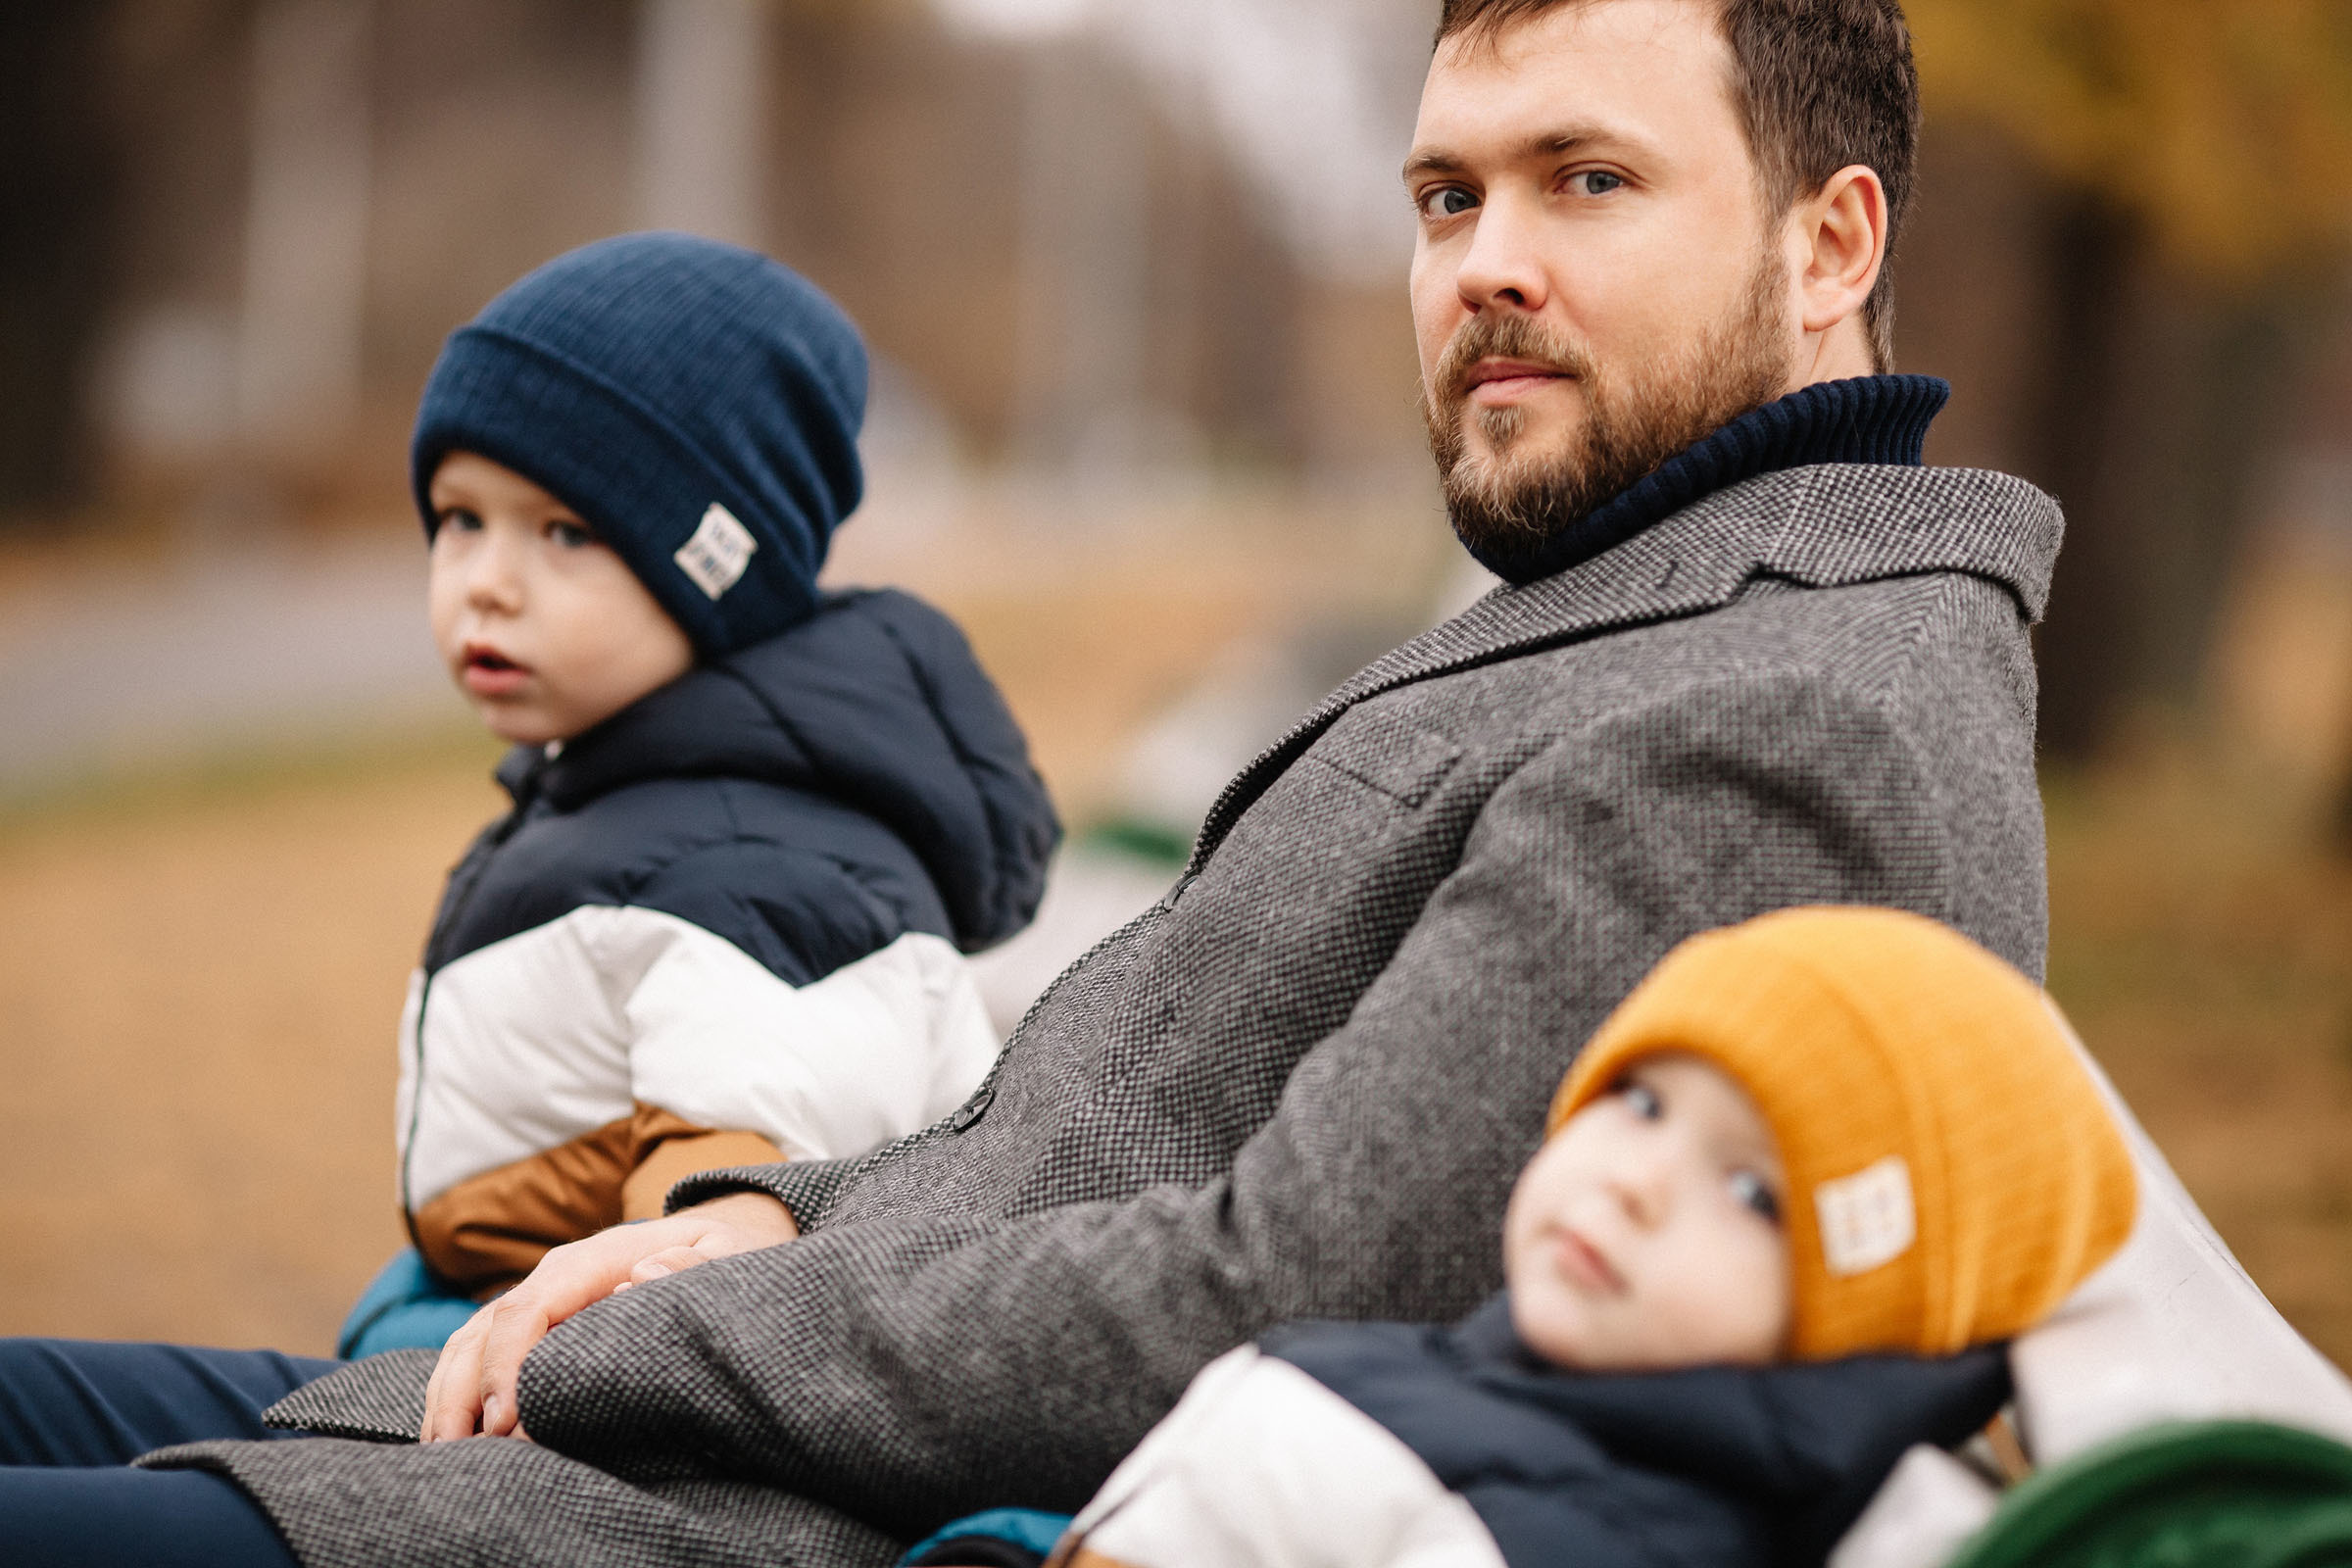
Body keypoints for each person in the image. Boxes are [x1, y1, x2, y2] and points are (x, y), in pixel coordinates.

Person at [0, 2, 2076, 1564]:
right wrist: (752, 1216)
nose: (1482, 265)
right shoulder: (1669, 610)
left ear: (1831, 243)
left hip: (756, 1512)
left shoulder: (1782, 722)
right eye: (1448, 196)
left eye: (1586, 181)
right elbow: (1107, 1136)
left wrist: (659, 1334)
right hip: (719, 1426)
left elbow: (1272, 1295)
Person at [902, 908, 2136, 1568]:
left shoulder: (1585, 1531)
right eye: (1639, 1102)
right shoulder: (1500, 1382)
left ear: (1861, 1322)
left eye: (1753, 1193)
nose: (1638, 1181)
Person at [336, 231, 1057, 1355]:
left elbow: (710, 1253)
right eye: (460, 517)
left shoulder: (754, 873)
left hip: (549, 1395)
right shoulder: (633, 792)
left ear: (719, 566)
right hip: (478, 1318)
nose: (486, 582)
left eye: (566, 531)